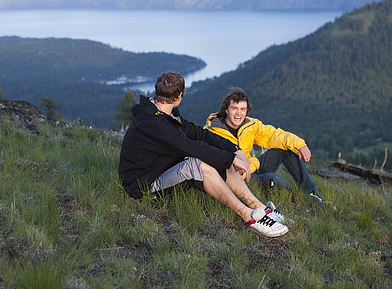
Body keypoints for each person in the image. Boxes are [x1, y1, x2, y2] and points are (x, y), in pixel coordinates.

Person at [118, 71, 288, 237]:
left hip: (159, 170)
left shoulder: (165, 114)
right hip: (142, 186)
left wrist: (233, 150)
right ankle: (249, 216)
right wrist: (231, 158)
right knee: (198, 164)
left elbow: (200, 134)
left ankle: (259, 207)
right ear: (180, 97)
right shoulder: (153, 122)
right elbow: (190, 146)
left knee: (220, 157)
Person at [204, 87, 324, 203]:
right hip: (238, 178)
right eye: (234, 108)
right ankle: (306, 200)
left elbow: (273, 135)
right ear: (226, 110)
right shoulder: (212, 131)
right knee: (271, 178)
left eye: (242, 109)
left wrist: (299, 144)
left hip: (253, 168)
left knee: (286, 149)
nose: (238, 113)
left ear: (247, 111)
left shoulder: (250, 126)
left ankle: (312, 192)